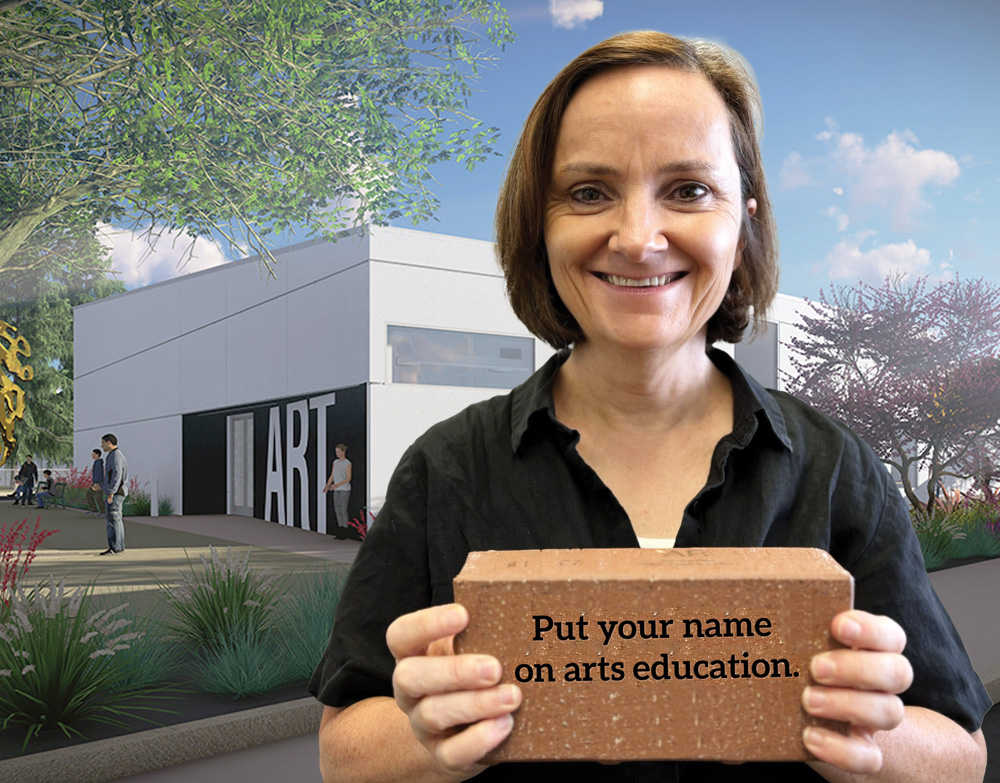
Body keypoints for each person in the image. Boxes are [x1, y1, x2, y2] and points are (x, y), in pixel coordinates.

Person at [309, 32, 990, 783]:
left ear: (746, 221)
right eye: (589, 192)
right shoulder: (445, 470)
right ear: (540, 222)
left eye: (689, 190)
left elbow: (962, 749)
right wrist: (423, 736)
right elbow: (342, 749)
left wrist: (871, 740)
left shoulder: (837, 470)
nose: (638, 238)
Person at [100, 433, 128, 555]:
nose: (102, 446)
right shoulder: (115, 455)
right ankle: (119, 547)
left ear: (109, 443)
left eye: (103, 443)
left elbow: (117, 475)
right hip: (118, 491)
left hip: (116, 493)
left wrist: (111, 492)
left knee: (112, 519)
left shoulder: (115, 456)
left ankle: (114, 548)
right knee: (117, 519)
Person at [322, 443, 352, 538]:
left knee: (343, 509)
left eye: (339, 452)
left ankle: (345, 530)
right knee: (337, 509)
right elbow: (332, 475)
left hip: (344, 489)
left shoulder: (348, 463)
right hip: (336, 489)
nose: (337, 454)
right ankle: (340, 529)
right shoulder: (335, 462)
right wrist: (327, 485)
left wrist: (336, 485)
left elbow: (348, 478)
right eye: (336, 452)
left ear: (343, 452)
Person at [86, 448, 105, 516]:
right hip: (95, 483)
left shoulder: (99, 463)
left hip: (98, 483)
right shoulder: (96, 462)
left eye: (93, 454)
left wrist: (97, 483)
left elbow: (99, 473)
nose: (92, 455)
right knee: (89, 495)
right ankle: (93, 510)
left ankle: (103, 512)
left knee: (98, 497)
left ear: (97, 454)